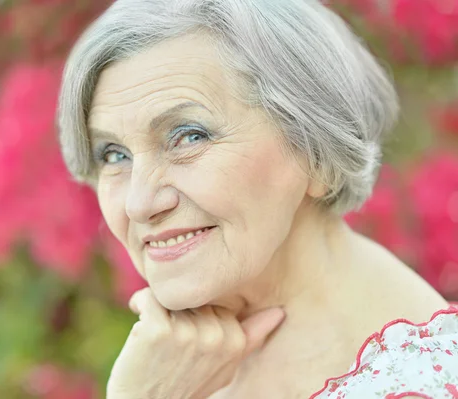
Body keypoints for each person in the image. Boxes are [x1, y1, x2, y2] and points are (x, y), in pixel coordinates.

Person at [56, 0, 458, 398]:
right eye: (113, 154)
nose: (138, 204)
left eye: (190, 136)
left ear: (315, 152)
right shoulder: (179, 361)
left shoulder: (418, 386)